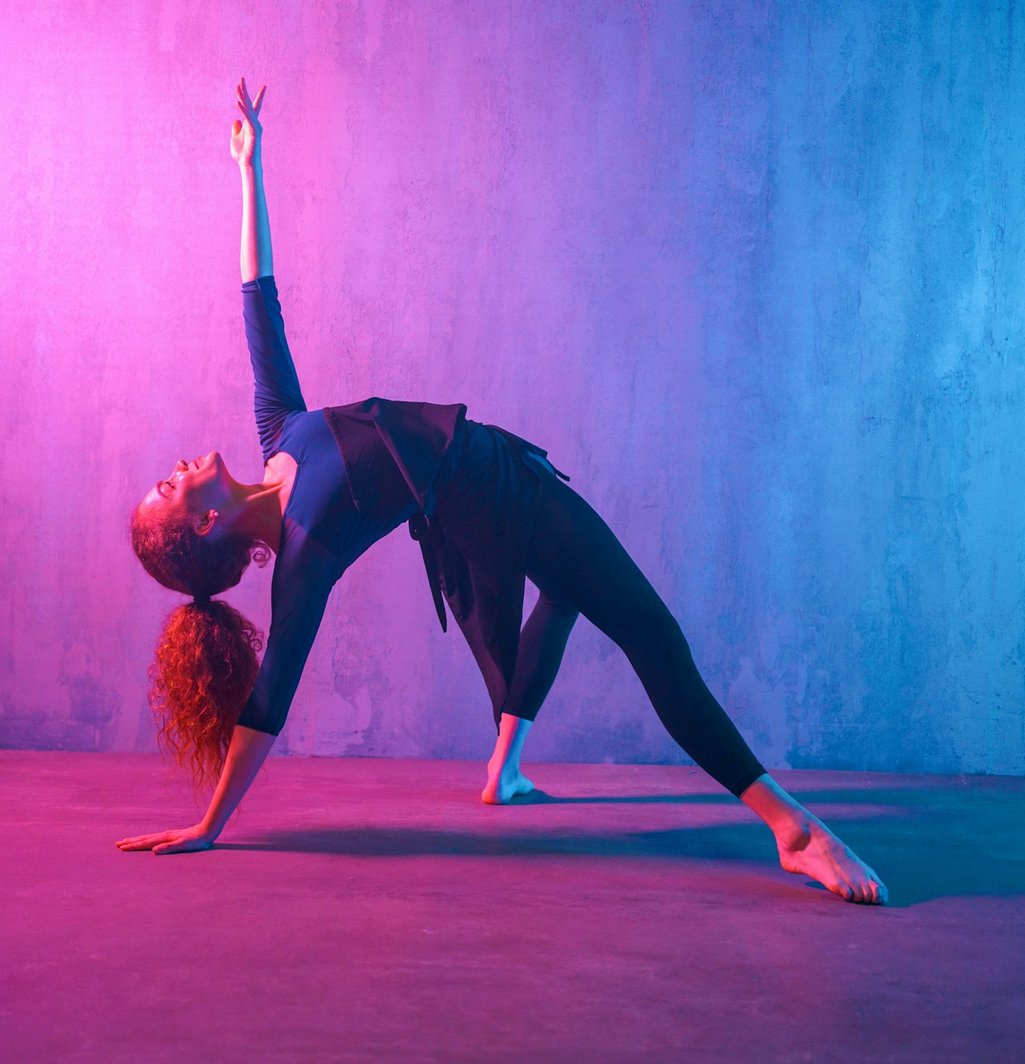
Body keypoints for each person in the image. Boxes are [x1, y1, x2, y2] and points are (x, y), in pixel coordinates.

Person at [115, 80, 887, 906]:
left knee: (563, 597)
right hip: (504, 499)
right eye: (167, 486)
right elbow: (270, 700)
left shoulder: (278, 434)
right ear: (202, 521)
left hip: (464, 514)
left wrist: (249, 168)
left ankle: (505, 768)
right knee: (653, 637)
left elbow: (258, 298)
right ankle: (791, 828)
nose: (174, 464)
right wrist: (211, 823)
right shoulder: (304, 552)